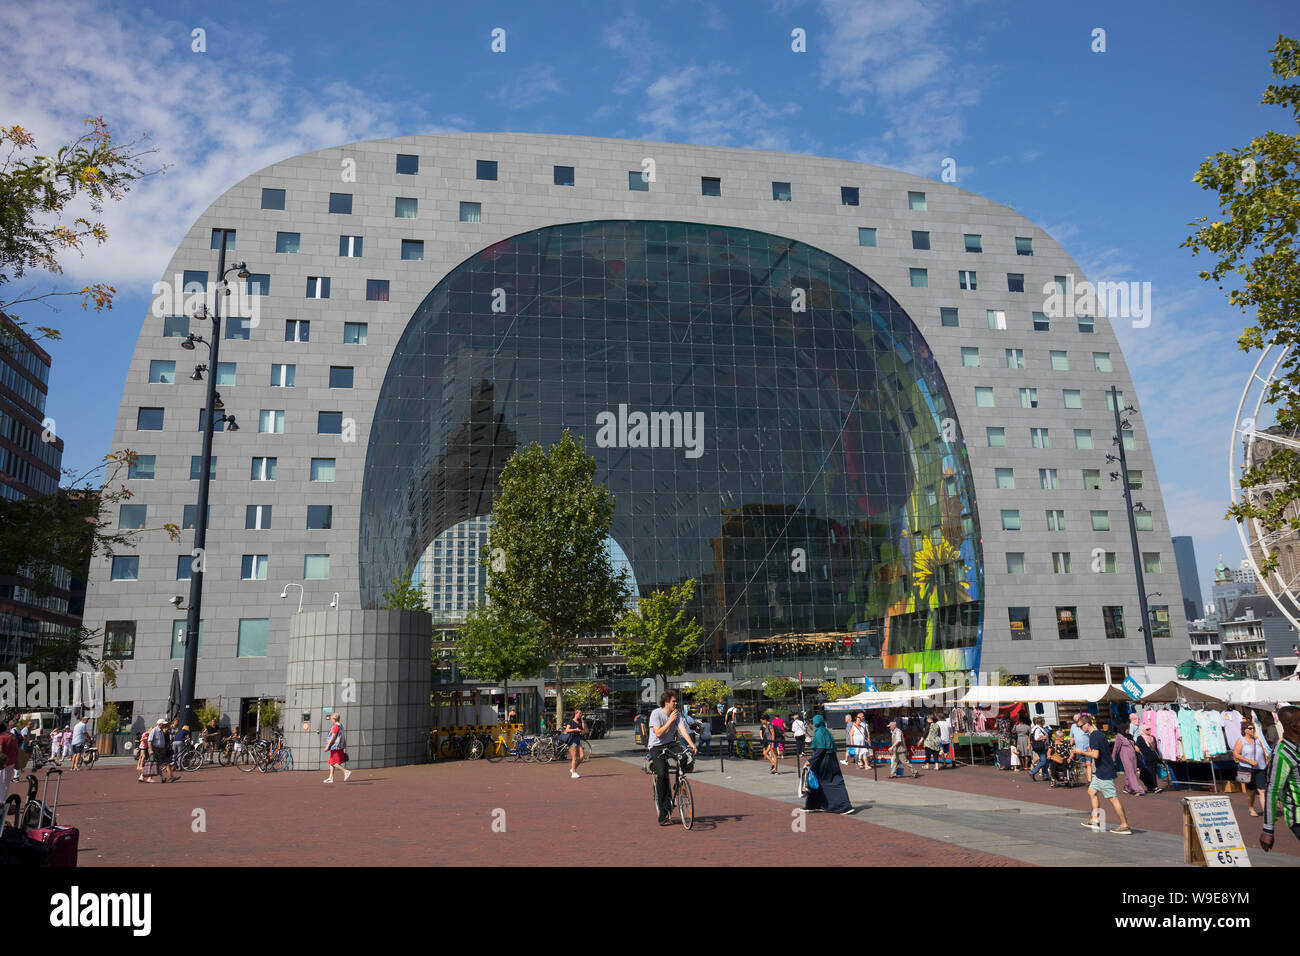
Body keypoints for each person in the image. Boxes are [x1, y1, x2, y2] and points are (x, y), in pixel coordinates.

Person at [1074, 714, 1132, 835]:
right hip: (1101, 770)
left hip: (1105, 771)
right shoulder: (1097, 734)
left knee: (1113, 798)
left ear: (1087, 724)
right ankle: (1095, 819)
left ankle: (1124, 825)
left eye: (1080, 726)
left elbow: (1095, 755)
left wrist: (1081, 752)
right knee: (1091, 791)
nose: (1080, 729)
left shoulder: (1094, 736)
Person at [647, 690, 697, 826]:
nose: (676, 703)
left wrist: (692, 745)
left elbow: (682, 731)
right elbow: (658, 733)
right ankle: (663, 814)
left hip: (670, 743)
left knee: (684, 756)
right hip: (656, 746)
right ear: (666, 702)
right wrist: (670, 721)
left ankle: (678, 784)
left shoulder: (678, 714)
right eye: (674, 701)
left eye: (676, 701)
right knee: (662, 774)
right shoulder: (656, 713)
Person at [1260, 706, 1300, 852]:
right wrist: (1268, 830)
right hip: (1298, 816)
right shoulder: (1281, 754)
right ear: (1294, 726)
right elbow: (1272, 790)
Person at [801, 715, 855, 815]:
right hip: (832, 758)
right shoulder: (826, 731)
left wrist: (811, 760)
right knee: (835, 781)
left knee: (821, 781)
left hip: (823, 760)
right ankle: (816, 805)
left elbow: (821, 748)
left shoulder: (819, 732)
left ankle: (840, 806)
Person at [1233, 721, 1270, 817]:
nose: (1252, 730)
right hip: (1246, 768)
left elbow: (1263, 752)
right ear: (1244, 730)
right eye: (1250, 728)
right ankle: (1251, 807)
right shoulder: (1241, 740)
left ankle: (1267, 815)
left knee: (1262, 790)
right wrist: (1249, 761)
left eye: (1253, 728)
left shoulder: (1257, 740)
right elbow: (1236, 754)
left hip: (1260, 768)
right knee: (1252, 791)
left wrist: (1266, 760)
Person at [1111, 724, 1146, 796]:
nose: (1128, 730)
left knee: (1132, 772)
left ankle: (1128, 788)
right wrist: (1113, 758)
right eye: (1127, 728)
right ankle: (1138, 789)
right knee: (1130, 773)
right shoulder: (1119, 737)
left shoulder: (1129, 736)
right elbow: (1116, 748)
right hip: (1125, 757)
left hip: (1133, 757)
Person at [146, 718, 177, 783]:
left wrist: (163, 749)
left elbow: (161, 742)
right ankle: (148, 777)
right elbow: (149, 741)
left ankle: (164, 777)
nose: (164, 725)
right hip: (155, 750)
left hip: (160, 750)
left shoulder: (161, 731)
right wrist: (151, 750)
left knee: (157, 764)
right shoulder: (154, 730)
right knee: (154, 763)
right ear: (160, 724)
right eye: (163, 724)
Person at [324, 712, 351, 782]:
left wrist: (328, 746)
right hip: (340, 746)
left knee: (332, 762)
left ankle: (345, 771)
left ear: (334, 719)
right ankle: (331, 777)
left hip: (335, 746)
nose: (331, 720)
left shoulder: (335, 726)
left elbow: (333, 737)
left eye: (331, 719)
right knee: (331, 761)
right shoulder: (340, 725)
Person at [563, 708, 587, 779]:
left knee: (582, 756)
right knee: (575, 757)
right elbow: (566, 730)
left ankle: (573, 769)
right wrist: (575, 729)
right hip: (572, 740)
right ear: (576, 714)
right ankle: (573, 773)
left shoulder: (579, 722)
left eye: (581, 713)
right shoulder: (571, 721)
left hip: (578, 740)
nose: (581, 715)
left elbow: (583, 729)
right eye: (580, 713)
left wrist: (582, 720)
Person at [1069, 713, 1093, 784]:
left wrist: (1090, 746)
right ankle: (1088, 780)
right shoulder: (1073, 726)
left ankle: (1090, 780)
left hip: (1087, 747)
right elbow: (1072, 737)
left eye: (1077, 721)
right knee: (1084, 765)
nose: (1076, 723)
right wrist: (1070, 745)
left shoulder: (1085, 725)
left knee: (1088, 763)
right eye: (1075, 721)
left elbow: (1091, 735)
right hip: (1079, 749)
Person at [1028, 717, 1051, 781]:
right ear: (1042, 722)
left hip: (1043, 746)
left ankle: (1045, 775)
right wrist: (1044, 737)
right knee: (1043, 761)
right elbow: (1036, 738)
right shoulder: (1037, 729)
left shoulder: (1037, 728)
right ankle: (1032, 772)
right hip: (1041, 747)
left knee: (1046, 761)